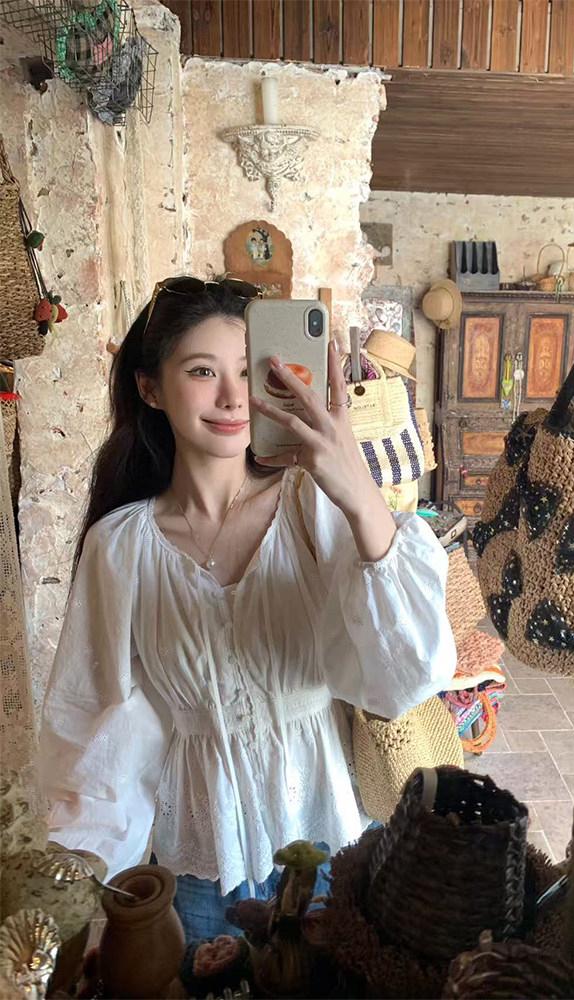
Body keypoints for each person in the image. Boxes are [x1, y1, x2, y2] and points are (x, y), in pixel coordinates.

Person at [38, 277, 456, 942]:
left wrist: (356, 488)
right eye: (202, 371)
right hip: (201, 870)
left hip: (333, 851)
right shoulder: (120, 548)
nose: (233, 397)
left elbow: (410, 671)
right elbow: (98, 727)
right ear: (150, 388)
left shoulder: (312, 506)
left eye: (248, 370)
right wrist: (76, 888)